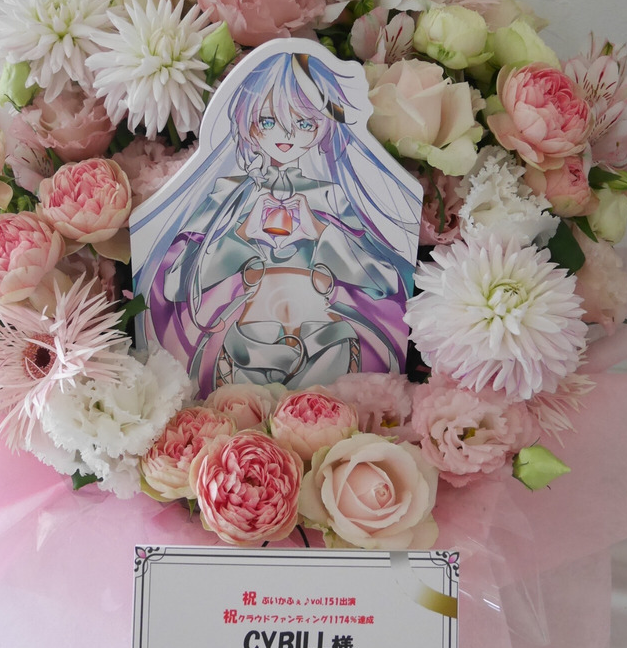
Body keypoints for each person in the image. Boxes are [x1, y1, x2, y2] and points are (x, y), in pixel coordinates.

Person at [133, 47, 419, 396]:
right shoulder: (229, 193)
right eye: (267, 122)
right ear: (247, 123)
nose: (286, 136)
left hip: (326, 340)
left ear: (323, 127)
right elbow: (176, 284)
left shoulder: (329, 195)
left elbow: (384, 281)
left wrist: (321, 233)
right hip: (246, 344)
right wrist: (240, 235)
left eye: (304, 123)